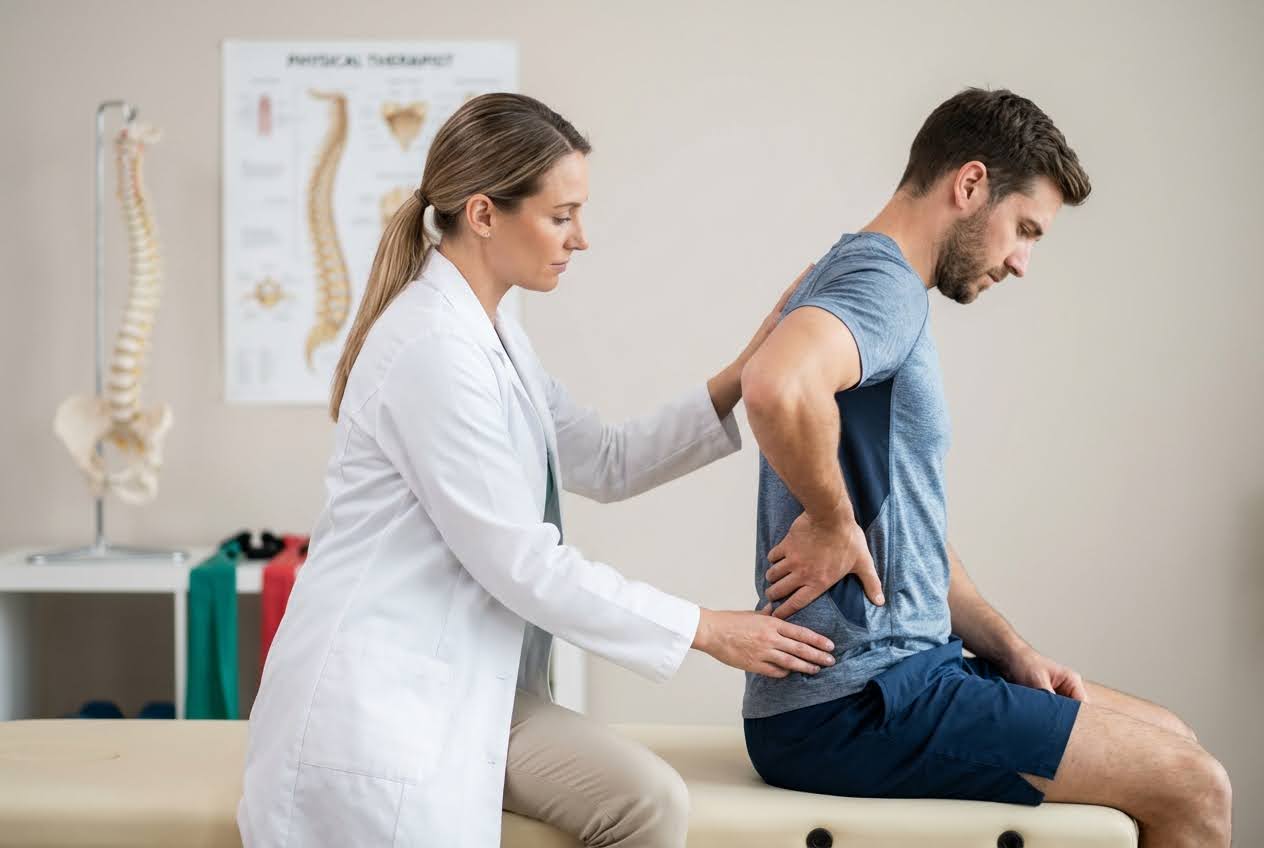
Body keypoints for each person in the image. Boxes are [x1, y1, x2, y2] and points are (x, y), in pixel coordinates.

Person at [236, 93, 836, 848]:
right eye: (562, 216)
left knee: (648, 801)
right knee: (642, 804)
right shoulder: (432, 350)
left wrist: (744, 373)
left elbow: (608, 458)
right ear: (484, 214)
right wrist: (708, 630)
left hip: (467, 681)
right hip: (381, 703)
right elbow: (521, 563)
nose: (580, 238)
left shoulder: (495, 334)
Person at [739, 87, 1232, 848]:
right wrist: (834, 522)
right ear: (970, 186)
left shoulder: (871, 280)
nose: (1022, 262)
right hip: (854, 705)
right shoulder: (883, 287)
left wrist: (1013, 651)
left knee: (1173, 737)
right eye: (1024, 229)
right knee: (1194, 786)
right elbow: (775, 383)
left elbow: (911, 533)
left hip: (907, 677)